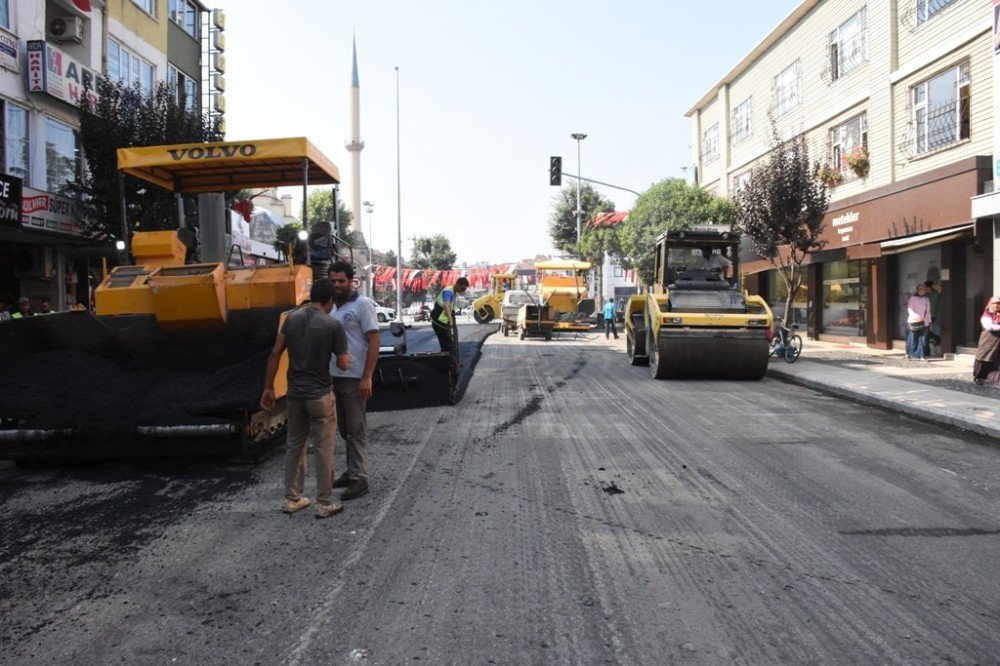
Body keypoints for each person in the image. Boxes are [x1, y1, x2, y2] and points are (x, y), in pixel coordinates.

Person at [260, 278, 350, 519]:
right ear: (330, 301)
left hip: (295, 394)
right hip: (320, 395)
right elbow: (343, 364)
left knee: (295, 445)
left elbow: (275, 352)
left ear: (312, 297)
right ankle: (324, 502)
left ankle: (293, 499)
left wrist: (268, 387)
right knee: (324, 447)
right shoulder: (332, 325)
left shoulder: (291, 319)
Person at [327, 261, 380, 501]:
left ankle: (360, 479)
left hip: (355, 378)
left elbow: (374, 340)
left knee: (357, 429)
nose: (337, 285)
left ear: (351, 281)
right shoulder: (331, 308)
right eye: (333, 281)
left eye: (341, 280)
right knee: (346, 429)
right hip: (337, 378)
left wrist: (367, 376)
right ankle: (351, 471)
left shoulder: (363, 305)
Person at [430, 276, 469, 353]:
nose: (463, 291)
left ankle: (449, 362)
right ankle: (447, 363)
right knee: (447, 345)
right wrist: (451, 321)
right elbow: (446, 305)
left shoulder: (453, 293)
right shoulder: (448, 291)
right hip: (439, 322)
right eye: (462, 289)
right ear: (458, 284)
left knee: (449, 345)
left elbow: (451, 308)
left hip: (443, 323)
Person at [973, 295, 1000, 386]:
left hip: (998, 343)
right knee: (985, 358)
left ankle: (995, 379)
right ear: (990, 304)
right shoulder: (986, 315)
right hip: (988, 342)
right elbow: (989, 327)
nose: (996, 305)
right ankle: (980, 377)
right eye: (994, 303)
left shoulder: (999, 315)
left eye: (998, 303)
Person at [905, 283, 932, 362]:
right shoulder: (912, 298)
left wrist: (929, 320)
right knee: (912, 338)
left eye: (923, 289)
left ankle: (922, 356)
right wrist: (915, 316)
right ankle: (910, 353)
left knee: (923, 339)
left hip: (924, 322)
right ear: (917, 290)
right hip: (914, 321)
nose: (921, 290)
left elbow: (928, 311)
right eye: (919, 289)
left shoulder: (926, 299)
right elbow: (910, 309)